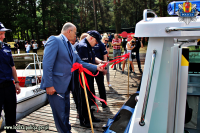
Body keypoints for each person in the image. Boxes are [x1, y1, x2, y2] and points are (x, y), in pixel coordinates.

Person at [40, 22, 104, 133]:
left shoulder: (69, 44)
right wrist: (49, 85)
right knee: (60, 116)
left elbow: (79, 61)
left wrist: (96, 67)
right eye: (75, 32)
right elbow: (47, 64)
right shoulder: (54, 40)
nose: (76, 35)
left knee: (65, 114)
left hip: (66, 87)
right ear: (69, 31)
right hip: (55, 87)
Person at [77, 30, 106, 128]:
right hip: (82, 77)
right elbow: (83, 64)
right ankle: (84, 120)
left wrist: (100, 61)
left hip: (88, 75)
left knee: (89, 97)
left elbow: (94, 58)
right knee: (84, 98)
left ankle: (90, 116)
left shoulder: (89, 45)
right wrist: (97, 67)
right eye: (96, 41)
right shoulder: (82, 47)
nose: (97, 43)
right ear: (91, 38)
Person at [0, 22, 21, 133]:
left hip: (9, 87)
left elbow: (12, 67)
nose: (3, 36)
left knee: (11, 114)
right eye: (0, 34)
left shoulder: (6, 48)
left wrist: (17, 82)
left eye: (3, 34)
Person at [93, 35, 108, 108]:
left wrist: (105, 68)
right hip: (90, 67)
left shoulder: (101, 44)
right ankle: (92, 103)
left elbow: (105, 55)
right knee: (90, 85)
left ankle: (103, 102)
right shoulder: (88, 45)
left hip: (100, 67)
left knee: (100, 85)